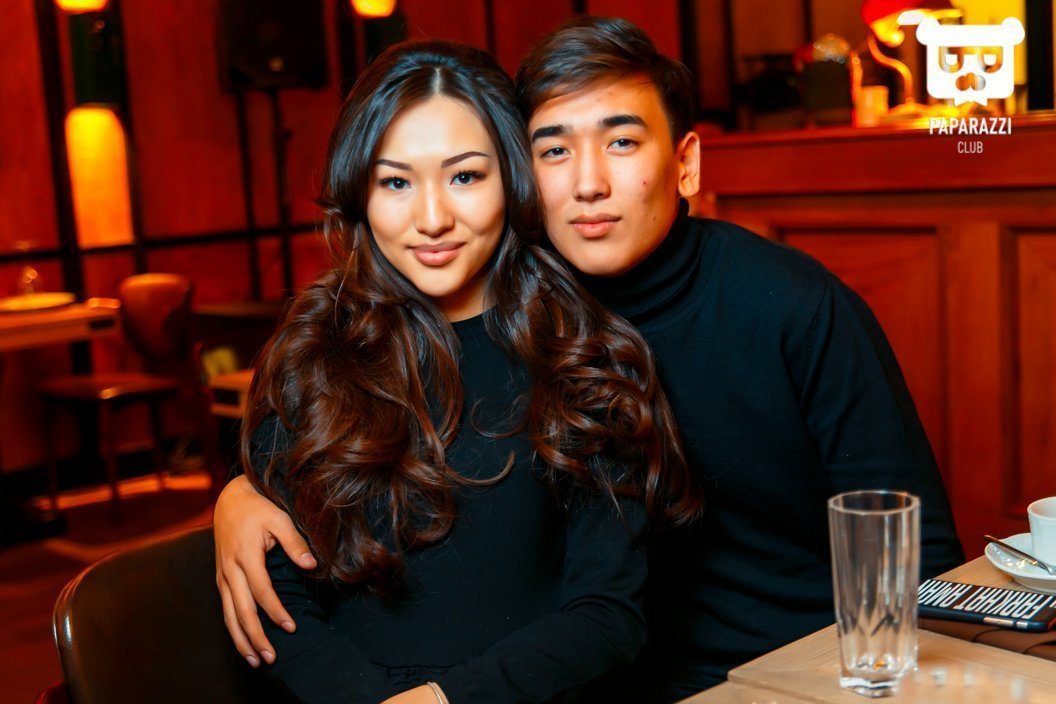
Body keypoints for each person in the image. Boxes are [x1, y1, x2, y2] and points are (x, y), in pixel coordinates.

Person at [215, 17, 964, 702]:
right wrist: (242, 491)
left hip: (803, 672)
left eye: (622, 142)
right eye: (554, 150)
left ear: (686, 162)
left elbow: (917, 551)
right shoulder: (512, 321)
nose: (587, 183)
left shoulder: (774, 309)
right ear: (526, 175)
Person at [234, 38, 700, 704]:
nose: (432, 219)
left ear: (511, 180)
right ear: (360, 192)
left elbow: (607, 617)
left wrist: (443, 702)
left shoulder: (584, 355)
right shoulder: (313, 349)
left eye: (465, 177)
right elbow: (278, 604)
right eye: (396, 182)